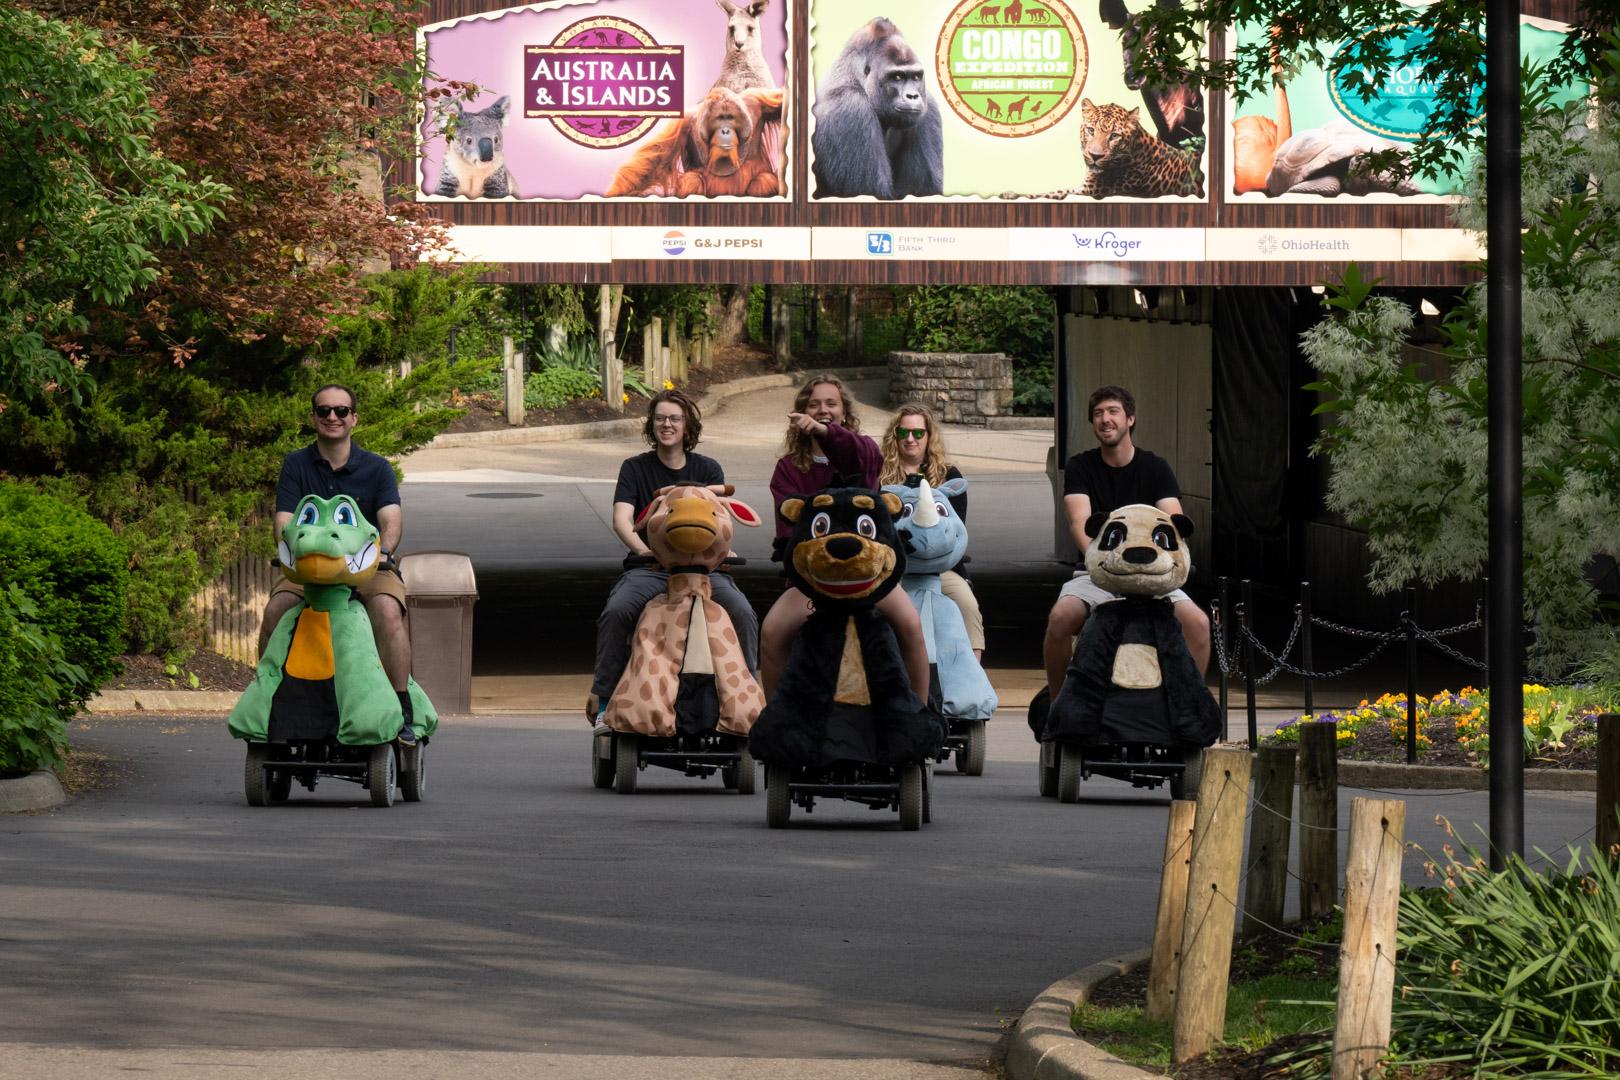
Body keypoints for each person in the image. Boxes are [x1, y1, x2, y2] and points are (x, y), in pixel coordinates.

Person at [258, 384, 417, 744]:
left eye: (341, 411)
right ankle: (266, 697)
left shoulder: (377, 468)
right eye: (324, 410)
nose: (333, 417)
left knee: (388, 612)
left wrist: (383, 554)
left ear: (353, 418)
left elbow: (391, 520)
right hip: (311, 567)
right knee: (275, 610)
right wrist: (291, 551)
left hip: (366, 567)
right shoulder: (295, 464)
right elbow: (283, 521)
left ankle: (401, 706)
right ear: (313, 417)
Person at [588, 389, 759, 720]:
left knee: (742, 613)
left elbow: (718, 520)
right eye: (660, 418)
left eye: (675, 419)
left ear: (687, 425)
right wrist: (644, 551)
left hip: (704, 571)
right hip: (651, 569)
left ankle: (747, 693)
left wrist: (724, 551)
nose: (667, 424)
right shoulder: (635, 468)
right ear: (651, 425)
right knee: (617, 610)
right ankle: (604, 696)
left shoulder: (708, 469)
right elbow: (622, 519)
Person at [759, 374, 930, 699]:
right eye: (814, 404)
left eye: (831, 403)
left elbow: (860, 456)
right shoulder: (788, 468)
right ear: (802, 411)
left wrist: (824, 432)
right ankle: (777, 718)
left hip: (869, 576)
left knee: (910, 626)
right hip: (814, 579)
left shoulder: (862, 453)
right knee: (772, 632)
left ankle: (920, 713)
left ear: (844, 411)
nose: (823, 410)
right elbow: (789, 528)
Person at [1043, 385, 1211, 700]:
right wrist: (1104, 564)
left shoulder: (1155, 467)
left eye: (1113, 412)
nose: (1105, 419)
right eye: (1098, 414)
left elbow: (1173, 522)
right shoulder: (1080, 466)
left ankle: (1188, 706)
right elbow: (1079, 522)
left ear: (1130, 419)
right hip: (1097, 574)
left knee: (1199, 624)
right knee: (1060, 618)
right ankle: (1057, 706)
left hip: (1152, 577)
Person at [877, 402, 985, 660]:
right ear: (895, 436)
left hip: (939, 567)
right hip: (893, 568)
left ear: (929, 436)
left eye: (918, 432)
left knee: (967, 604)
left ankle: (973, 669)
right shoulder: (880, 477)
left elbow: (955, 532)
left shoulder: (949, 475)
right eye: (903, 432)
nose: (910, 439)